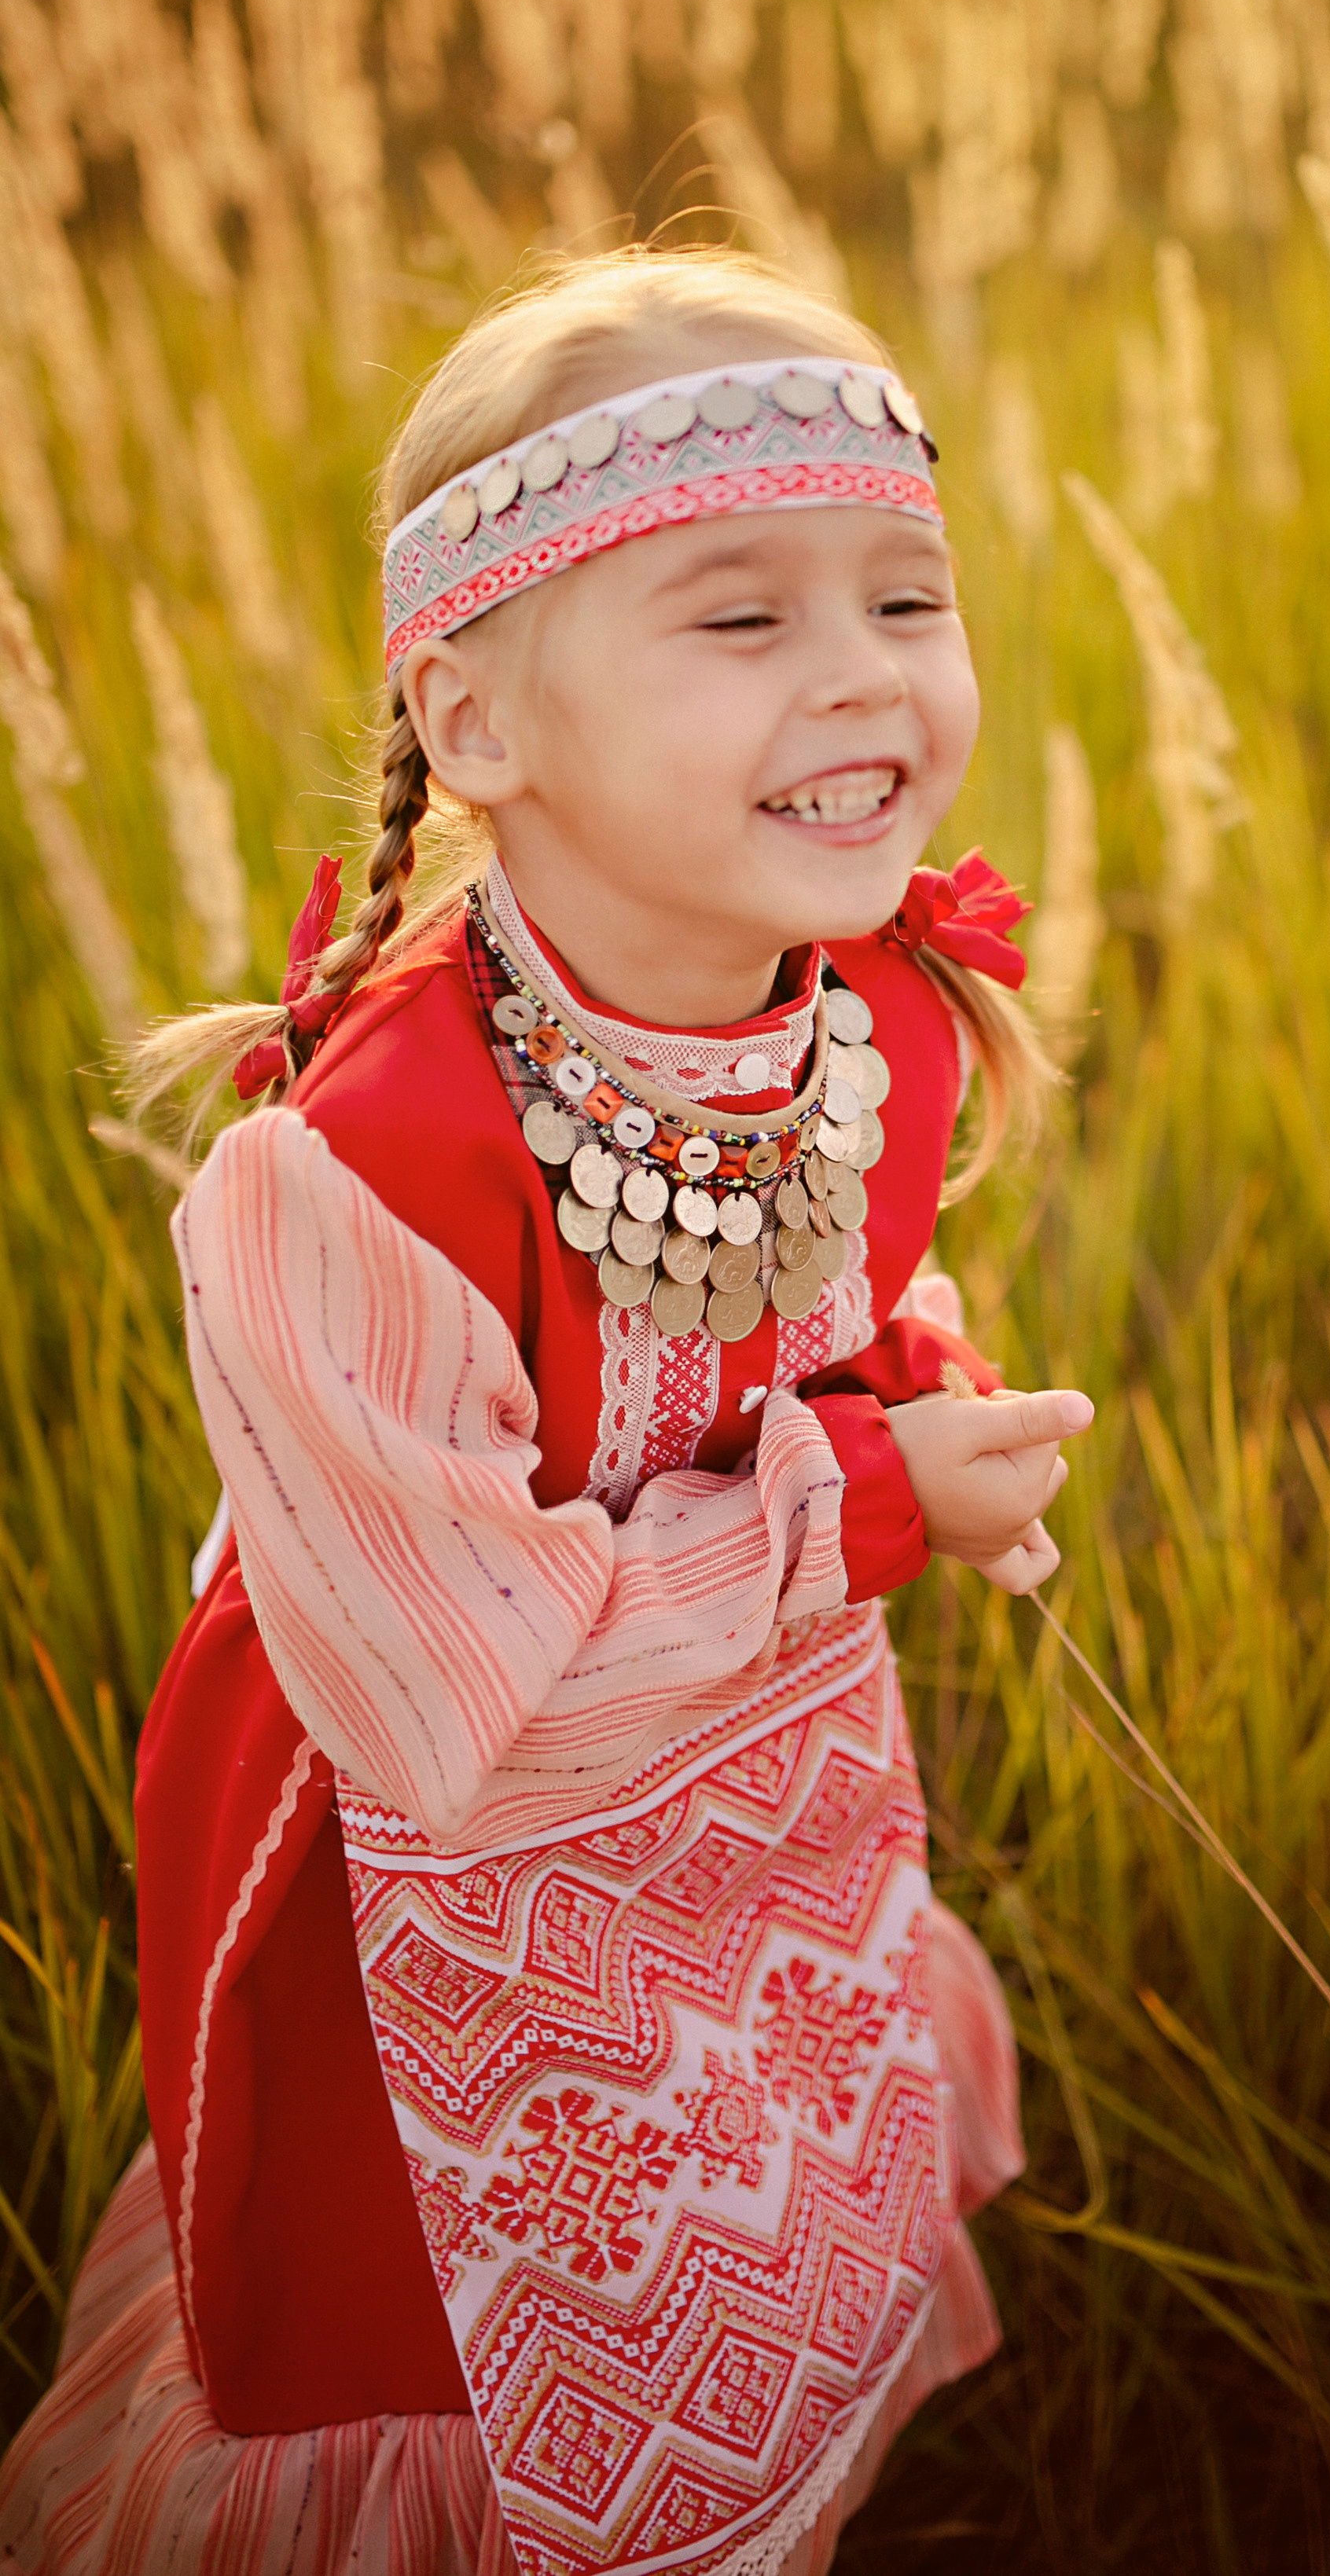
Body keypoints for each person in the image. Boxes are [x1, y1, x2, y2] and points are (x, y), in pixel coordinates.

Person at [0, 246, 1093, 2576]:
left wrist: (921, 1395)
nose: (863, 674)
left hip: (751, 1781)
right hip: (433, 1861)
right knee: (495, 2333)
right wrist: (873, 1502)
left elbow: (823, 1312)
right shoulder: (355, 1173)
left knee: (755, 2182)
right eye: (741, 617)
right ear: (477, 718)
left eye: (907, 599)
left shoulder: (867, 1011)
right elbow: (448, 1705)